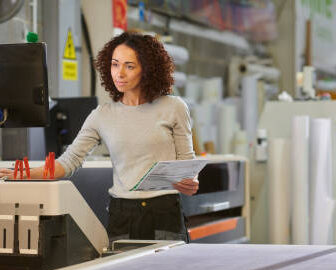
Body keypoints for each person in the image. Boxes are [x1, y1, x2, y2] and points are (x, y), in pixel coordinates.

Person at [0, 32, 199, 243]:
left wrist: (190, 181)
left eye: (129, 66)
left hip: (164, 210)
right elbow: (68, 163)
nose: (119, 73)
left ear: (147, 70)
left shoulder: (174, 107)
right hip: (123, 213)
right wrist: (19, 174)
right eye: (115, 64)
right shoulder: (102, 115)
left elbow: (187, 163)